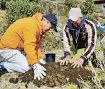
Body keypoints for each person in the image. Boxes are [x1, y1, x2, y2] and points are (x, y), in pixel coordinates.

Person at [0, 13, 57, 80]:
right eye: (51, 27)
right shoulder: (31, 25)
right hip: (7, 48)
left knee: (31, 63)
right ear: (45, 21)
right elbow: (29, 46)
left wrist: (39, 59)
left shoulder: (39, 28)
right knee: (26, 68)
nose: (50, 29)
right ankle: (3, 65)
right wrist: (35, 64)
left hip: (16, 49)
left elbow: (36, 45)